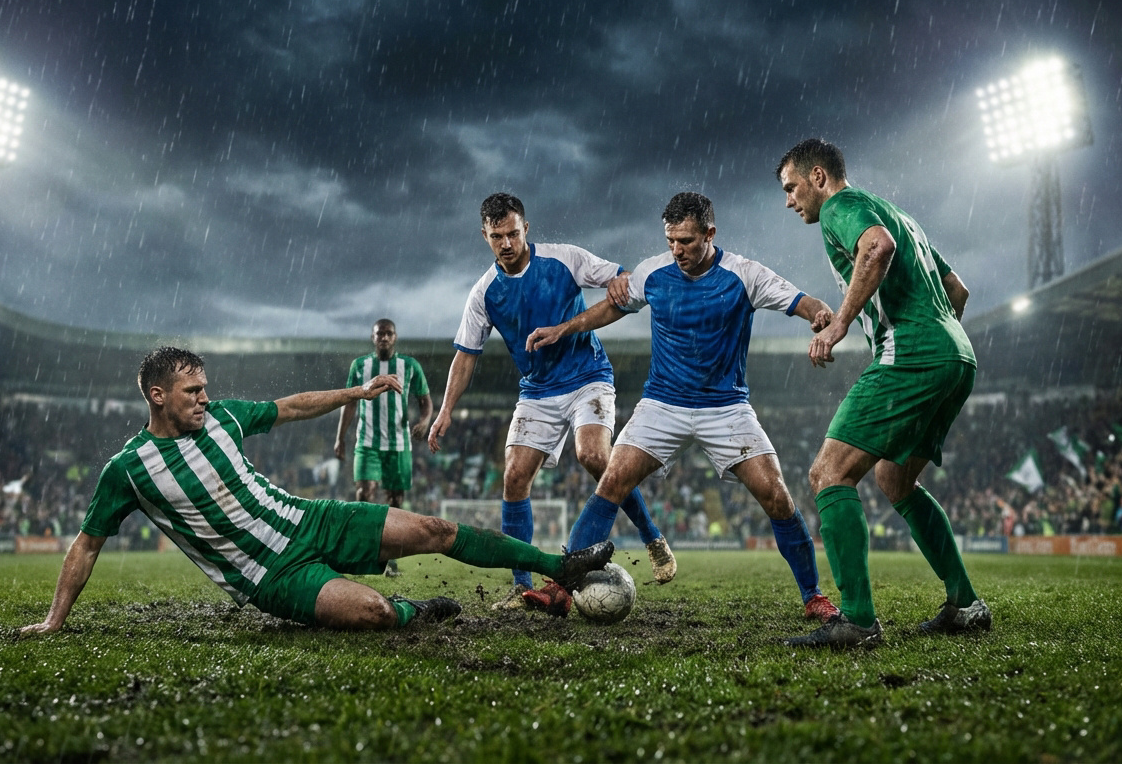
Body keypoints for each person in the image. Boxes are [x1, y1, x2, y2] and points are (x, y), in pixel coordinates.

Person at [18, 347, 613, 635]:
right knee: (376, 612)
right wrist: (53, 621)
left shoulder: (224, 417)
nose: (205, 398)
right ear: (157, 396)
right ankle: (414, 612)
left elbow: (290, 407)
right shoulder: (128, 470)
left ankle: (560, 565)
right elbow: (87, 545)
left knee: (435, 529)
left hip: (309, 519)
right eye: (193, 391)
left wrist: (351, 396)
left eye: (205, 388)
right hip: (270, 577)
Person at [526, 191, 842, 623]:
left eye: (687, 242)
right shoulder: (654, 272)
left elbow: (804, 303)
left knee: (776, 494)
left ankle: (813, 597)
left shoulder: (744, 274)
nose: (677, 251)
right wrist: (565, 328)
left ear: (710, 234)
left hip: (726, 408)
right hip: (662, 405)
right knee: (612, 479)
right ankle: (560, 591)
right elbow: (612, 307)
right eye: (671, 240)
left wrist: (821, 317)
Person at [777, 137, 989, 648]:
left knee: (828, 474)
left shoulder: (841, 208)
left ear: (819, 177)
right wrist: (934, 346)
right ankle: (965, 603)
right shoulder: (898, 214)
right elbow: (957, 288)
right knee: (895, 480)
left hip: (915, 352)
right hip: (957, 354)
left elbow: (876, 248)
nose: (789, 201)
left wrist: (839, 325)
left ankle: (857, 619)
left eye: (791, 187)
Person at [428, 192, 673, 610]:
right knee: (514, 477)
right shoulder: (484, 293)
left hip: (587, 378)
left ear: (526, 228)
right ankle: (522, 585)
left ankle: (653, 537)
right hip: (537, 392)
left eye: (513, 233)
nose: (506, 243)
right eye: (496, 236)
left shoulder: (564, 260)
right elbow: (465, 356)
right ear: (484, 236)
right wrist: (446, 409)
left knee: (595, 456)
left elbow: (622, 279)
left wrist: (618, 279)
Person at [335, 318, 433, 576]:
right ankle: (362, 552)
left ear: (395, 337)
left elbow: (425, 401)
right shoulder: (360, 366)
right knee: (365, 495)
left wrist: (425, 421)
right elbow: (349, 403)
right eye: (380, 334)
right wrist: (340, 437)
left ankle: (390, 560)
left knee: (395, 501)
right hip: (367, 442)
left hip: (399, 445)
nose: (384, 338)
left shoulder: (409, 366)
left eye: (388, 333)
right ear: (372, 337)